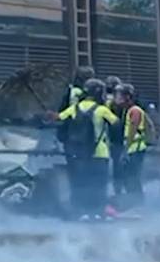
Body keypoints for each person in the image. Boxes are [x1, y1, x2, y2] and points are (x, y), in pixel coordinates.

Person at [57, 78, 119, 217]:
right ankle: (98, 212)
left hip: (80, 153)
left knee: (82, 183)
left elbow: (59, 117)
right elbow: (116, 123)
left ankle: (80, 211)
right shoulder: (102, 109)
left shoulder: (75, 108)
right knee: (99, 185)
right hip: (100, 152)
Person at [114, 83, 150, 205]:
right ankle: (134, 202)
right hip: (132, 148)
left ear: (127, 97)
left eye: (119, 95)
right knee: (129, 177)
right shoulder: (127, 110)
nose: (116, 98)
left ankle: (137, 203)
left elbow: (132, 131)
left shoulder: (134, 111)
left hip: (135, 149)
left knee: (132, 178)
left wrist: (125, 150)